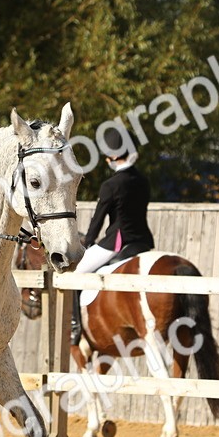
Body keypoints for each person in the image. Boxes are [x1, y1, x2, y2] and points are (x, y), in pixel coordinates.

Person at [71, 140, 155, 344]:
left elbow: (98, 219)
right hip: (143, 241)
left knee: (73, 274)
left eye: (108, 157)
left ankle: (74, 325)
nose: (107, 160)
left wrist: (88, 242)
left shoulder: (111, 185)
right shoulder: (143, 180)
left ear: (115, 157)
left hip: (117, 241)